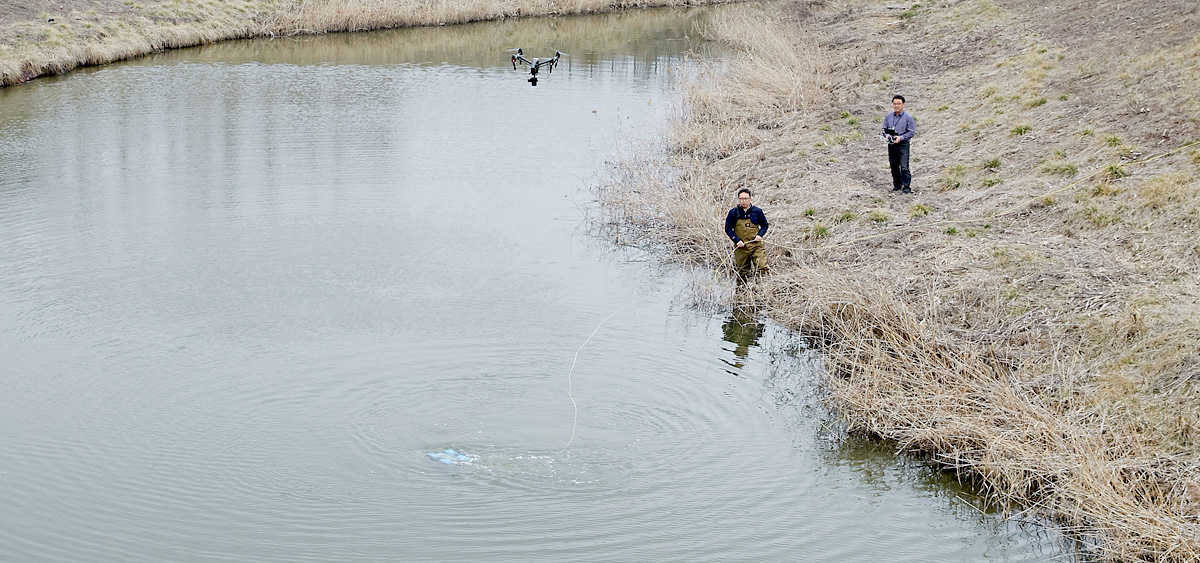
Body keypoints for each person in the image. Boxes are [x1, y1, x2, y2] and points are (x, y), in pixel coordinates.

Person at [724, 188, 769, 280]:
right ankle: (742, 291)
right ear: (738, 199)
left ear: (750, 199)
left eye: (746, 198)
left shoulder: (757, 211)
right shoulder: (733, 213)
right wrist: (736, 240)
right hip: (741, 247)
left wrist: (760, 235)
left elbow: (765, 225)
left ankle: (761, 287)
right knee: (742, 272)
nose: (744, 201)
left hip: (756, 245)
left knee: (762, 266)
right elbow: (727, 228)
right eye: (741, 199)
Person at [882, 95, 916, 193]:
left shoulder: (908, 118)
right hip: (891, 144)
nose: (896, 106)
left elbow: (911, 132)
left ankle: (906, 187)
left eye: (898, 104)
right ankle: (897, 185)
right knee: (893, 166)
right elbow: (883, 129)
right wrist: (887, 135)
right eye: (894, 104)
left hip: (903, 145)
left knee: (904, 167)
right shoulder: (888, 116)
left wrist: (900, 138)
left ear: (903, 105)